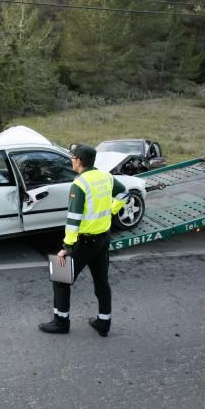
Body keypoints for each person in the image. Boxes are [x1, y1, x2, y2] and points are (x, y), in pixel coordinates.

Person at [39, 144, 127, 337]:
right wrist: (111, 210)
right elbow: (124, 194)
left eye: (72, 158)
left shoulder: (79, 184)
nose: (71, 160)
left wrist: (66, 247)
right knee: (101, 282)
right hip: (103, 240)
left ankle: (61, 322)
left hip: (84, 243)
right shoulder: (106, 177)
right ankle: (104, 322)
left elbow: (73, 220)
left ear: (79, 161)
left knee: (61, 279)